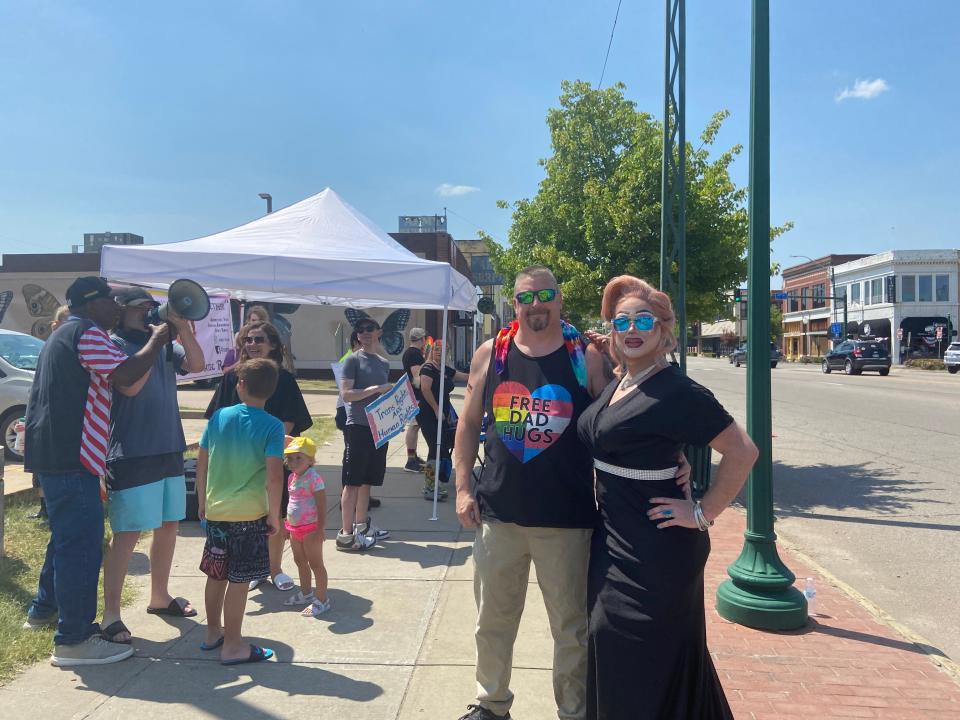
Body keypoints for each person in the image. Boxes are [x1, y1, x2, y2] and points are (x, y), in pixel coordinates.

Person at [577, 275, 758, 720]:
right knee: (607, 641)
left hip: (657, 547)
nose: (633, 328)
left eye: (644, 320)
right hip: (612, 539)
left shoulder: (678, 390)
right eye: (623, 321)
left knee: (638, 653)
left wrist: (703, 511)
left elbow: (742, 451)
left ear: (663, 330)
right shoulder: (622, 381)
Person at [452, 265, 613, 720]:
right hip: (498, 514)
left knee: (569, 629)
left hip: (566, 519)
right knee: (492, 623)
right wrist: (464, 488)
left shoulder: (585, 356)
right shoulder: (492, 353)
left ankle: (574, 711)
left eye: (546, 295)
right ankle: (491, 704)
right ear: (515, 304)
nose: (536, 304)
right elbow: (466, 427)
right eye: (526, 297)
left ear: (559, 300)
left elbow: (616, 423)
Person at [23, 276, 169, 667]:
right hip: (73, 457)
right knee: (83, 547)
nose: (118, 308)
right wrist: (157, 339)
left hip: (57, 454)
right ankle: (75, 639)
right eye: (111, 300)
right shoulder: (87, 333)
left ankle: (44, 609)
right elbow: (124, 377)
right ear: (92, 303)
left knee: (66, 538)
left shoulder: (64, 334)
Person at [98, 287, 206, 644]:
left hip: (168, 447)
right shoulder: (113, 345)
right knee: (128, 533)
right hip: (131, 451)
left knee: (169, 525)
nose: (149, 314)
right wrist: (157, 341)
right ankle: (110, 613)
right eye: (142, 308)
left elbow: (197, 365)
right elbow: (127, 387)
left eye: (151, 307)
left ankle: (159, 596)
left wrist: (183, 329)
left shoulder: (159, 342)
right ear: (121, 311)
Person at [205, 321, 312, 592]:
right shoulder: (232, 377)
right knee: (241, 522)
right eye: (249, 340)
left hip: (273, 458)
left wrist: (270, 449)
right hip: (237, 463)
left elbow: (290, 420)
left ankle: (274, 569)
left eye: (259, 339)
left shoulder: (284, 379)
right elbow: (216, 421)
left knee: (274, 514)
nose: (253, 344)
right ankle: (250, 569)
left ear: (273, 345)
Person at [197, 358, 284, 665]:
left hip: (217, 511)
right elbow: (275, 476)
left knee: (216, 574)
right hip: (249, 515)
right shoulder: (272, 426)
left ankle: (212, 634)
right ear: (269, 392)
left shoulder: (219, 416)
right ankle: (233, 645)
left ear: (242, 385)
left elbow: (202, 461)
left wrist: (201, 500)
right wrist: (274, 515)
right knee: (239, 579)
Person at [337, 317, 392, 551]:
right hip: (357, 426)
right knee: (352, 482)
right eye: (362, 330)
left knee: (368, 480)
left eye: (371, 329)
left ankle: (362, 526)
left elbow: (384, 397)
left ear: (379, 333)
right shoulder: (352, 360)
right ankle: (346, 535)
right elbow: (347, 394)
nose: (367, 333)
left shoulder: (383, 363)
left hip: (379, 428)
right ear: (357, 336)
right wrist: (376, 390)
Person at [28, 304, 71, 521]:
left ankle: (50, 511)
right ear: (55, 326)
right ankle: (46, 509)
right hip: (48, 429)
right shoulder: (51, 351)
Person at [281, 435, 331, 617]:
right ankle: (306, 592)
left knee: (316, 564)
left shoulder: (314, 479)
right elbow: (291, 502)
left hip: (311, 529)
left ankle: (322, 599)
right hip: (295, 529)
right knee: (300, 561)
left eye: (298, 458)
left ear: (310, 460)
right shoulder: (292, 478)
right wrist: (287, 525)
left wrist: (320, 528)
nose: (293, 462)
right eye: (290, 458)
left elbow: (321, 505)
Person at [418, 338, 467, 500]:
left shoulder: (444, 369)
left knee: (441, 448)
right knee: (435, 448)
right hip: (429, 414)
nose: (439, 353)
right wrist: (436, 409)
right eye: (437, 349)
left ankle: (435, 484)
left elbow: (460, 376)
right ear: (431, 350)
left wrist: (479, 372)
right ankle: (429, 487)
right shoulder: (428, 368)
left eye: (443, 350)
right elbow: (425, 389)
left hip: (443, 415)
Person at [401, 327, 428, 473]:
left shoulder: (411, 353)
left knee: (415, 426)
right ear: (422, 339)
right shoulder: (414, 354)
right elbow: (417, 376)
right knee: (413, 426)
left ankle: (413, 456)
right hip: (415, 395)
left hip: (414, 395)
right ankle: (410, 460)